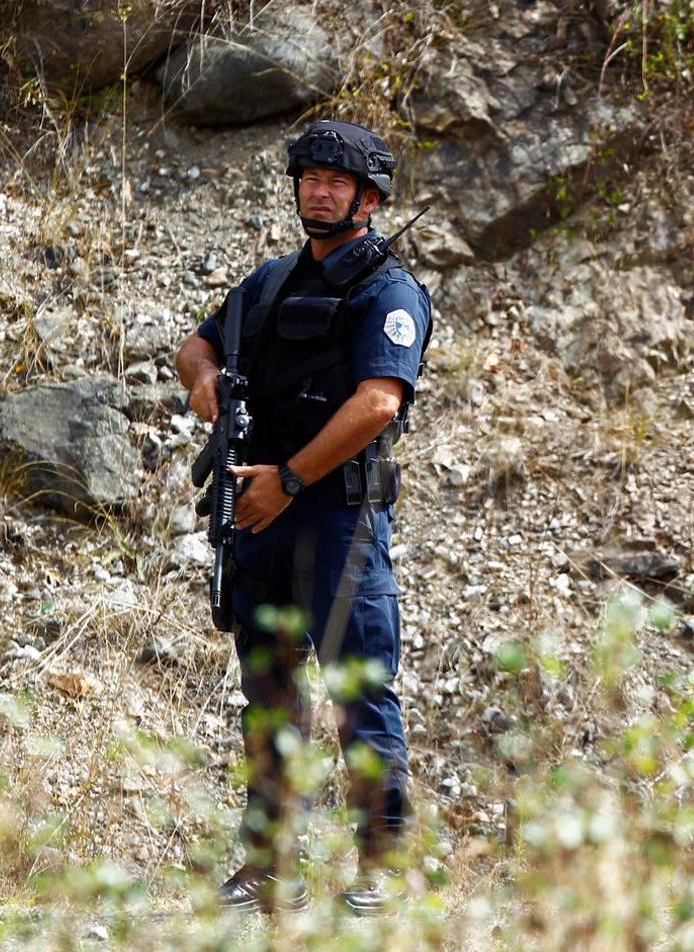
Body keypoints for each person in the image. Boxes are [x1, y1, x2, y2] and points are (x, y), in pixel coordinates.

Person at [175, 120, 432, 915]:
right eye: (309, 179)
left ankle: (381, 867)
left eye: (336, 182)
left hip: (337, 521)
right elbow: (196, 345)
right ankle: (269, 864)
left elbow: (378, 402)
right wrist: (204, 381)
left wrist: (288, 479)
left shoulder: (387, 291)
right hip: (258, 518)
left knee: (360, 694)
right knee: (271, 696)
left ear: (369, 198)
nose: (319, 192)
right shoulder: (267, 281)